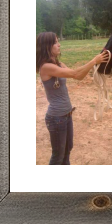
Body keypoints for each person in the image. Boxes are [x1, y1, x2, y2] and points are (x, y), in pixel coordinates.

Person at [36, 32, 108, 165]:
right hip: (56, 118)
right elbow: (75, 74)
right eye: (56, 42)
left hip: (66, 115)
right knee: (58, 155)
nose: (59, 44)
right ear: (47, 46)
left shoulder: (59, 64)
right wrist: (93, 61)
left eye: (58, 41)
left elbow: (78, 76)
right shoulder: (46, 67)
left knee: (68, 150)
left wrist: (94, 65)